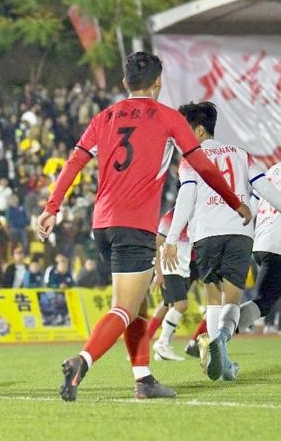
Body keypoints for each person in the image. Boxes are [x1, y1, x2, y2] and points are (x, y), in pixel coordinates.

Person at [37, 53, 248, 402]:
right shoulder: (167, 118)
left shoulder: (103, 117)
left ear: (124, 83)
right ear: (157, 83)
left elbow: (74, 162)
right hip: (134, 226)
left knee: (136, 305)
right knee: (123, 307)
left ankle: (144, 378)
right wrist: (233, 200)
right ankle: (82, 361)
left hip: (102, 224)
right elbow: (204, 168)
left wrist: (52, 207)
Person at [164, 101, 281, 381]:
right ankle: (222, 354)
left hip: (206, 233)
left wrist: (170, 237)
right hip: (240, 233)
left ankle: (213, 364)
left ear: (200, 130)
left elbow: (187, 197)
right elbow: (265, 188)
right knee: (233, 297)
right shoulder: (241, 154)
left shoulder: (191, 159)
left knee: (213, 297)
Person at [236, 163, 281, 339]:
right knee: (262, 302)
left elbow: (251, 208)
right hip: (277, 245)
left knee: (265, 301)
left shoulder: (271, 171)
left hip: (261, 241)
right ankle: (218, 331)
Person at [149, 208, 197, 361]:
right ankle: (162, 343)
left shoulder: (194, 215)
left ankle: (161, 353)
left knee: (171, 306)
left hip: (183, 269)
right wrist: (158, 272)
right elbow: (156, 243)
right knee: (181, 304)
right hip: (170, 268)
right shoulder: (171, 216)